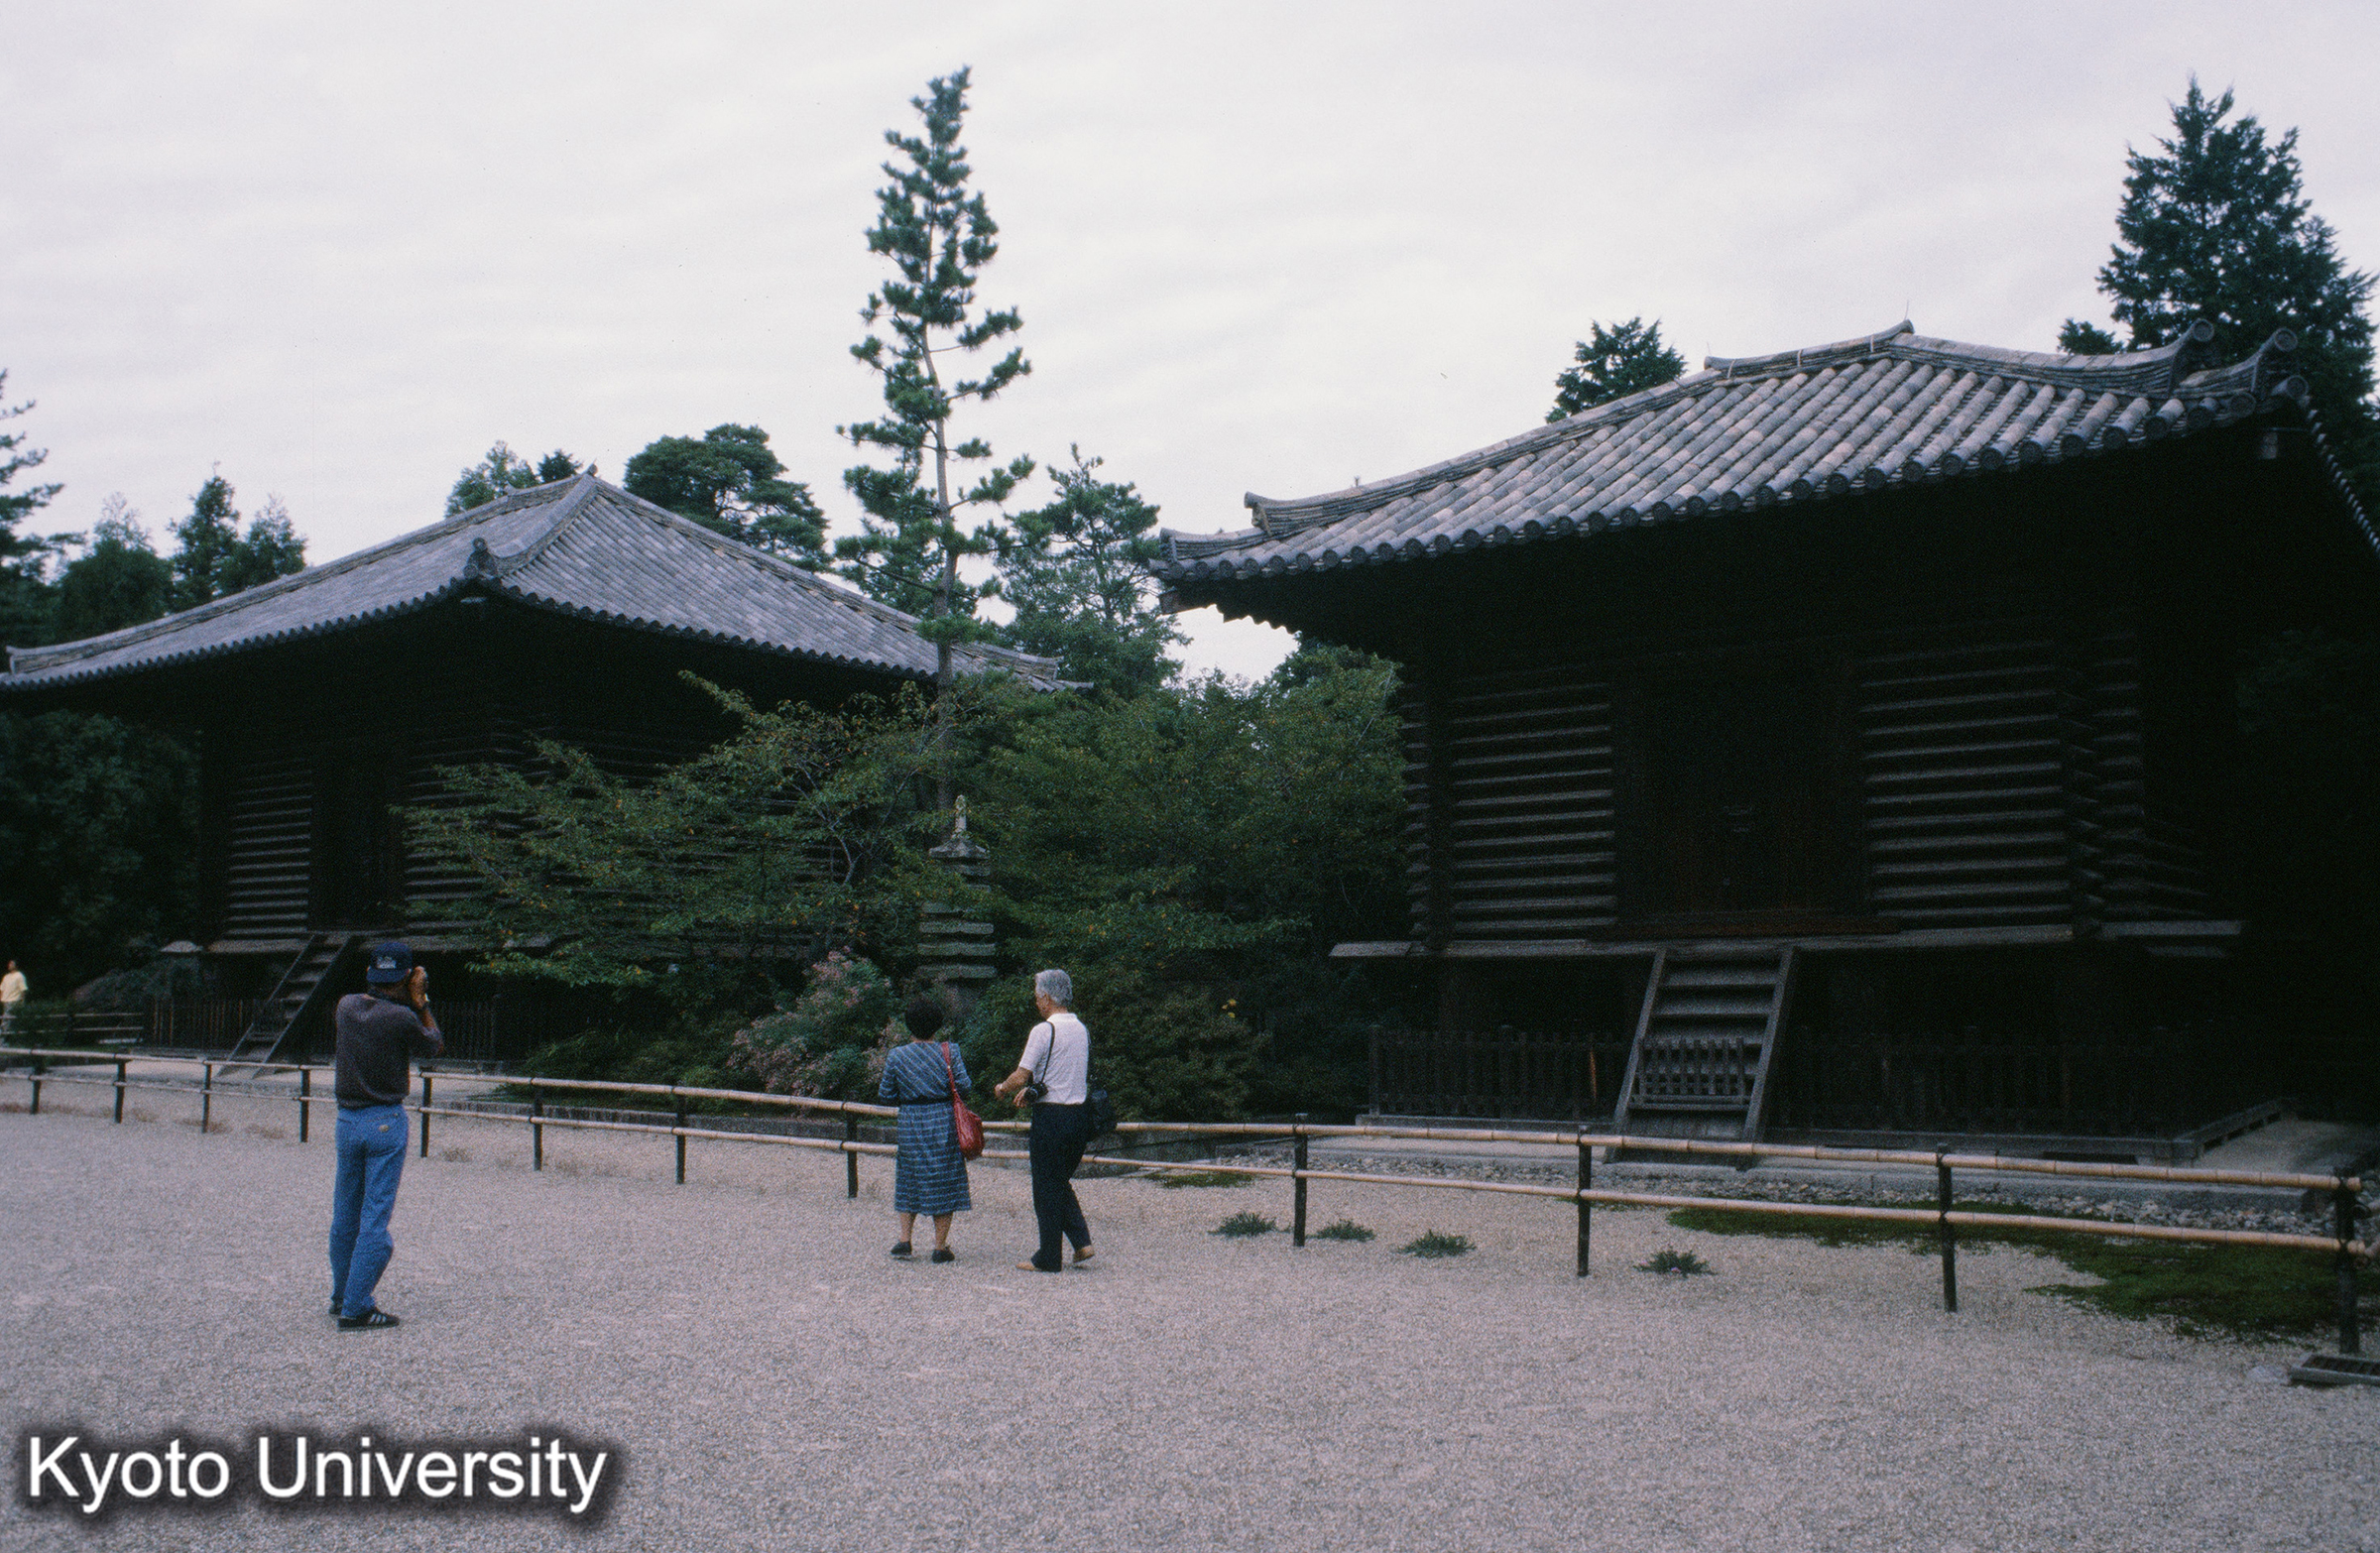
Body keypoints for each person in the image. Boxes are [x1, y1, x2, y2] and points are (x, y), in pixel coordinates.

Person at [327, 941, 441, 1330]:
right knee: (374, 1218)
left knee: (345, 1213)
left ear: (370, 973)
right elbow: (434, 1045)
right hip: (385, 1121)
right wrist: (421, 1002)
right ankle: (357, 1307)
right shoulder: (401, 1018)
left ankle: (341, 1293)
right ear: (407, 976)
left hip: (347, 1121)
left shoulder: (345, 1007)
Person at [993, 968, 1095, 1273]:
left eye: (1038, 996)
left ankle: (1049, 1256)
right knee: (1058, 1181)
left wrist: (1002, 1088)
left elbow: (1021, 1075)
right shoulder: (1081, 1029)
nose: (1036, 1002)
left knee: (1045, 1188)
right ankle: (1081, 1242)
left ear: (1047, 998)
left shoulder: (1043, 1031)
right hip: (1079, 1115)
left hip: (1051, 1118)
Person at [877, 996, 972, 1263]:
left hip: (910, 1121)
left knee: (909, 1176)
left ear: (909, 1025)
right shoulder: (950, 1052)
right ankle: (940, 1246)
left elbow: (885, 1094)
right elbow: (964, 1087)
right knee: (944, 1177)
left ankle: (905, 1239)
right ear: (937, 1024)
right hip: (942, 1119)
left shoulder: (897, 1055)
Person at [0, 961, 24, 1036]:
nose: (9, 965)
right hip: (5, 1001)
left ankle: (3, 1039)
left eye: (12, 964)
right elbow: (2, 989)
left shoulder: (19, 976)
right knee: (8, 1020)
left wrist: (21, 1000)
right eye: (9, 964)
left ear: (16, 966)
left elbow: (23, 989)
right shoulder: (6, 977)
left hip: (13, 1001)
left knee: (7, 1021)